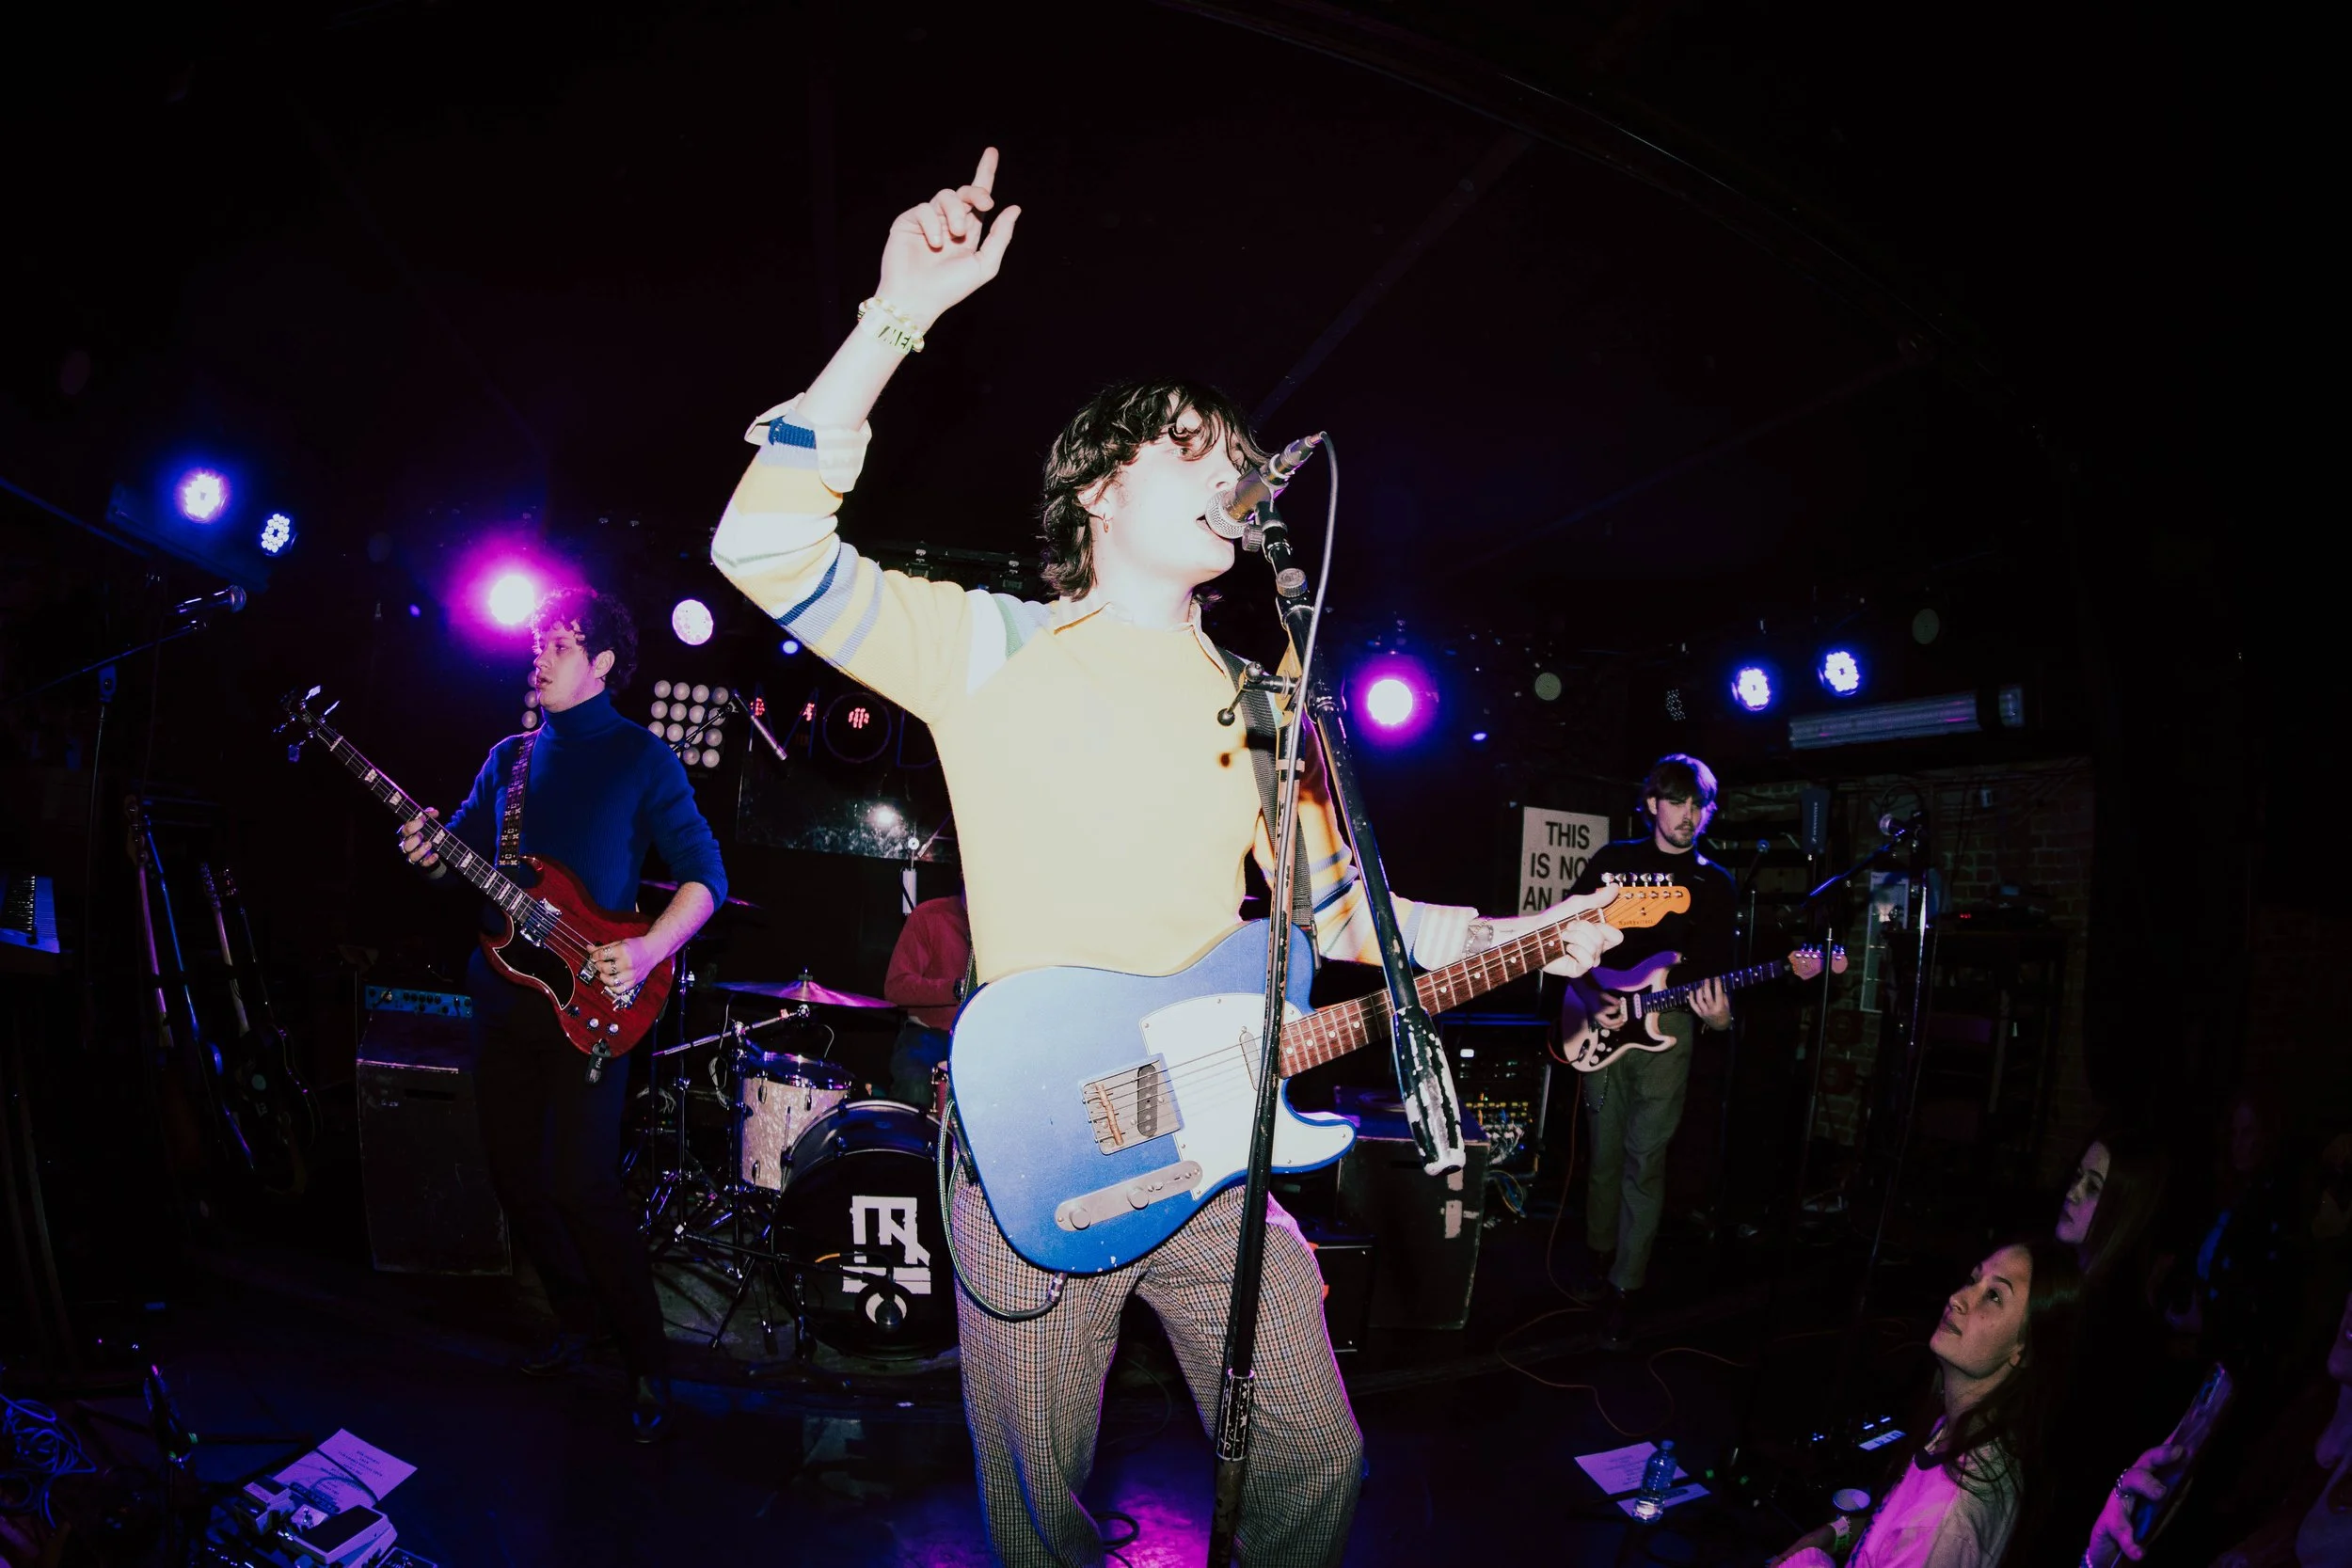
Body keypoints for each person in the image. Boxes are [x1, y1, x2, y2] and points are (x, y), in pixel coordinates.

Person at [707, 147, 1624, 1567]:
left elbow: (1344, 910)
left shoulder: (1263, 699)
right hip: (1035, 1152)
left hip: (1214, 1149)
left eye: (1238, 455)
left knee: (1315, 1452)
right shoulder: (995, 644)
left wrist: (1534, 933)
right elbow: (760, 546)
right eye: (1194, 447)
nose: (1234, 471)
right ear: (1098, 489)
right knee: (1038, 1516)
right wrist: (895, 320)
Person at [396, 588, 725, 1443]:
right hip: (502, 998)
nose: (539, 657)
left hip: (593, 1004)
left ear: (602, 663)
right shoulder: (509, 757)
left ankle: (646, 1358)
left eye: (560, 644)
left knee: (584, 1186)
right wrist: (428, 853)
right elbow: (459, 856)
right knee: (514, 1175)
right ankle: (576, 1321)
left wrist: (647, 949)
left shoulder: (643, 758)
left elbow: (706, 878)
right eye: (537, 643)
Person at [1561, 753, 1738, 1347]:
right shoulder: (1613, 863)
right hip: (1601, 1021)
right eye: (1678, 802)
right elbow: (1567, 937)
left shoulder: (1715, 883)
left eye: (1699, 805)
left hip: (1671, 1031)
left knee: (1646, 1159)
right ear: (1653, 804)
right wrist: (1592, 998)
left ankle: (1625, 1286)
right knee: (1604, 1153)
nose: (1689, 815)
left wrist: (1720, 1018)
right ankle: (1597, 1256)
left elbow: (1717, 970)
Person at [1772, 1238, 2084, 1568]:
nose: (1957, 1298)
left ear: (2024, 1349)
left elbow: (1923, 1534)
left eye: (1993, 1296)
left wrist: (1809, 1561)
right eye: (1973, 1280)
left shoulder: (1947, 1523)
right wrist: (1833, 1535)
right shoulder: (1968, 1424)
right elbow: (1889, 1530)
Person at [884, 892, 969, 1107]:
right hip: (930, 1036)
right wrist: (954, 989)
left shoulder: (1007, 927)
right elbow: (896, 987)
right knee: (915, 1085)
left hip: (983, 1041)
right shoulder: (930, 915)